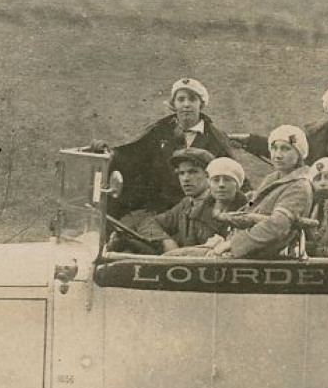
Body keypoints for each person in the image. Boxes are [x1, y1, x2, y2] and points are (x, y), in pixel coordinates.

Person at [105, 77, 235, 217]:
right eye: (181, 99)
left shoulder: (216, 138)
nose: (186, 104)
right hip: (159, 207)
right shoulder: (160, 130)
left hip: (199, 211)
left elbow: (232, 173)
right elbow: (132, 154)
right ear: (173, 104)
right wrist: (107, 152)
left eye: (192, 99)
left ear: (201, 104)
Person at [194, 124, 313, 259]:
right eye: (274, 148)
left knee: (175, 261)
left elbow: (277, 226)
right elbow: (251, 207)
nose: (278, 155)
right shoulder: (272, 179)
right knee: (172, 257)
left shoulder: (298, 187)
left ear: (299, 155)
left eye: (286, 149)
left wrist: (232, 244)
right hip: (245, 251)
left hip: (261, 256)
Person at [108, 147, 231, 253]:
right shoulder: (186, 204)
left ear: (209, 176)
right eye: (181, 173)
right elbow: (149, 222)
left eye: (193, 172)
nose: (186, 179)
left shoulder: (222, 205)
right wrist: (166, 241)